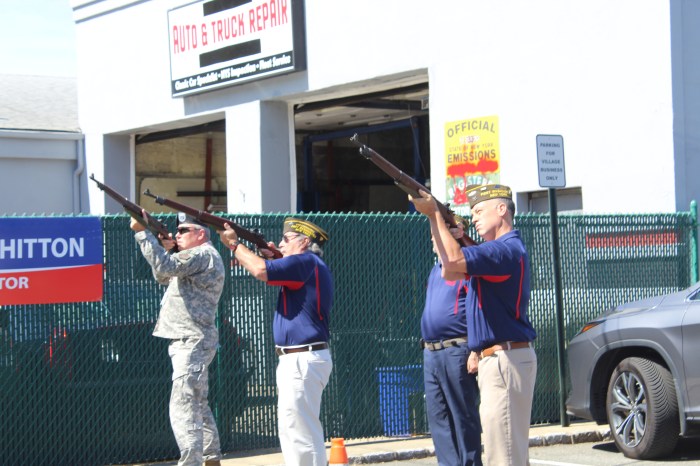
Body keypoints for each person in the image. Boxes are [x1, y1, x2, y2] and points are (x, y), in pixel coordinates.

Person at [411, 184, 537, 466]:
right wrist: (459, 235)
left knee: (503, 457)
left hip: (505, 358)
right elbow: (453, 266)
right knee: (504, 453)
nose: (475, 216)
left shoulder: (505, 250)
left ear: (502, 209)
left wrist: (434, 215)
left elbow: (453, 261)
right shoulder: (502, 250)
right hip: (501, 357)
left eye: (480, 210)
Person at [218, 217, 333, 466]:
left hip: (302, 358)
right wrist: (275, 256)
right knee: (294, 429)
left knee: (301, 433)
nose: (280, 243)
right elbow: (274, 269)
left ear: (304, 242)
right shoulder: (307, 263)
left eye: (286, 239)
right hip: (299, 358)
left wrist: (235, 246)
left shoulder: (304, 261)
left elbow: (260, 270)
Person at [130, 212, 224, 466]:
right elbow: (163, 276)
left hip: (190, 339)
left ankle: (191, 462)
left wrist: (142, 233)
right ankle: (210, 456)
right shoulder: (195, 257)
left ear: (201, 234)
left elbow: (164, 267)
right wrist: (164, 248)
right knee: (196, 402)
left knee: (183, 407)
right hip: (190, 338)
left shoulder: (201, 253)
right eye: (177, 231)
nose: (178, 234)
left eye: (184, 231)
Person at [420, 218, 482, 466]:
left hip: (457, 349)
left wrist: (475, 348)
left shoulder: (466, 267)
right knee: (438, 418)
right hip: (431, 352)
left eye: (438, 235)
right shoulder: (436, 270)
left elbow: (478, 309)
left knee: (462, 416)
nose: (433, 240)